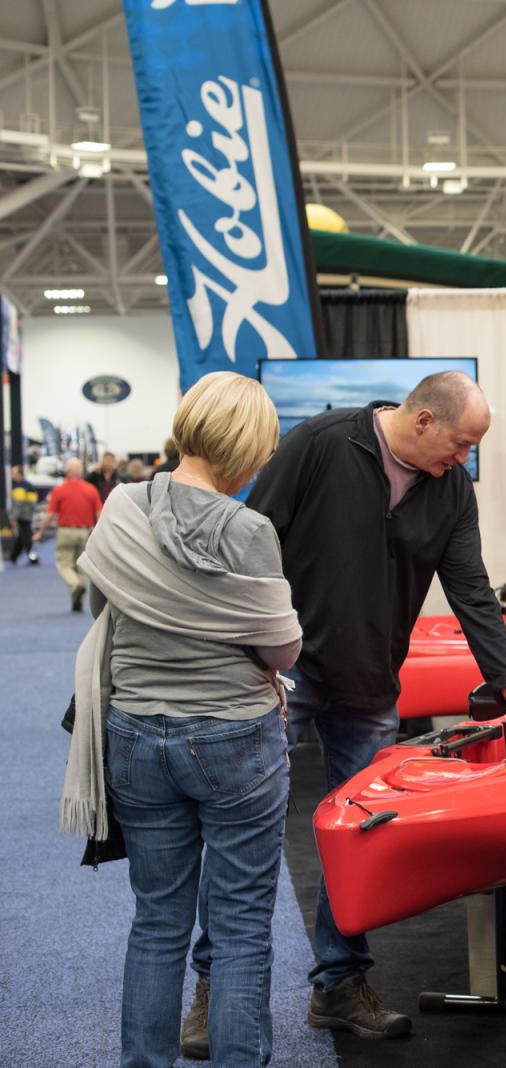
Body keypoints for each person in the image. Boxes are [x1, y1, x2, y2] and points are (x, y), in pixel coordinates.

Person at [179, 370, 506, 1049]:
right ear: (422, 420)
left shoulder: (449, 487)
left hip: (370, 683)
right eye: (459, 444)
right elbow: (251, 542)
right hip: (283, 673)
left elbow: (472, 590)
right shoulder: (322, 444)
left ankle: (339, 985)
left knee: (361, 835)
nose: (463, 461)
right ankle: (214, 989)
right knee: (245, 833)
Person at [60, 371, 302, 1066]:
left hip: (136, 734)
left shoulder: (122, 507)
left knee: (158, 923)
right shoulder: (249, 528)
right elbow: (279, 643)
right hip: (234, 739)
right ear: (249, 447)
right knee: (239, 928)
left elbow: (112, 592)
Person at [37, 457, 102, 610]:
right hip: (85, 532)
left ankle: (75, 586)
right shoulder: (91, 490)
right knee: (81, 566)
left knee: (64, 564)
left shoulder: (59, 490)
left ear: (66, 472)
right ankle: (77, 600)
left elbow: (49, 516)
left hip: (65, 531)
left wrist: (40, 533)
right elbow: (100, 513)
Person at [7, 464, 40, 565]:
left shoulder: (19, 487)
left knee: (26, 539)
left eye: (14, 472)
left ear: (19, 474)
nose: (12, 474)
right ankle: (13, 557)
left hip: (22, 516)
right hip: (27, 516)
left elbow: (18, 504)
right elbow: (33, 503)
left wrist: (13, 517)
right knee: (22, 538)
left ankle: (33, 558)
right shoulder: (28, 485)